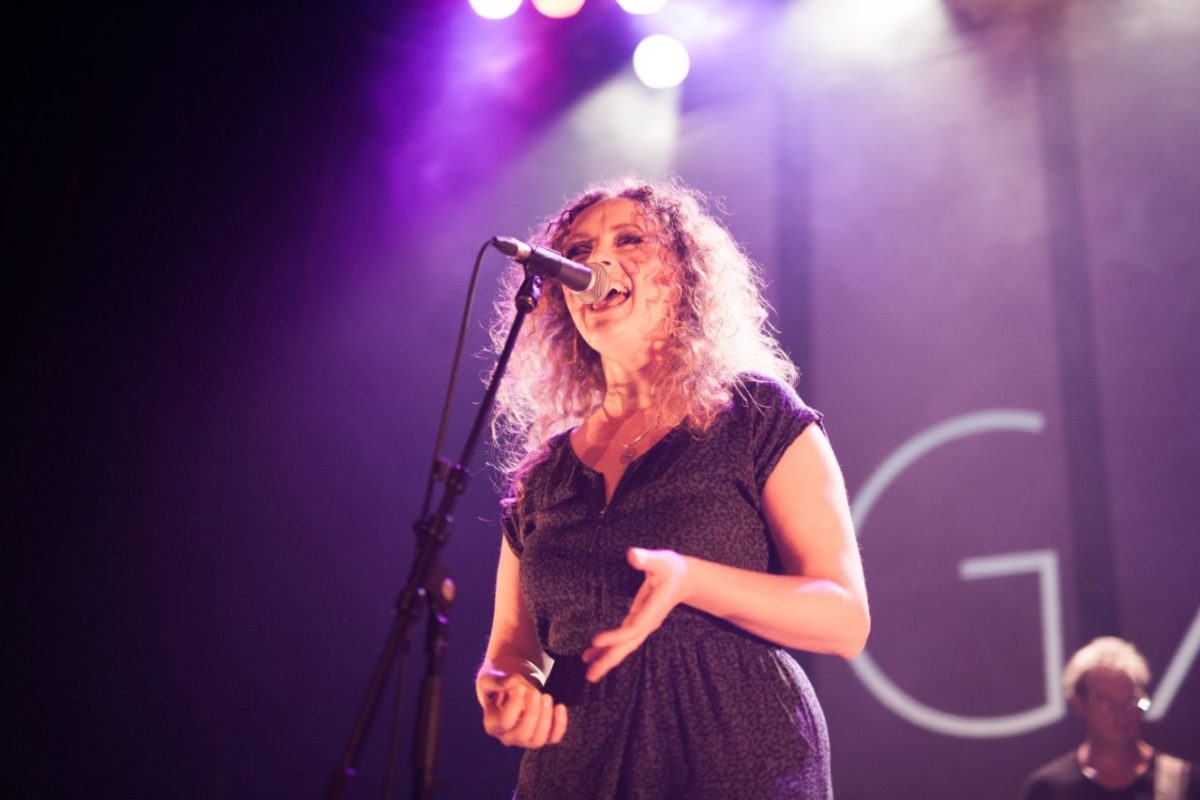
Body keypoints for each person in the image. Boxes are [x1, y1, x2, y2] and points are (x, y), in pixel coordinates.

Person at [474, 177, 870, 799]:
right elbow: (513, 648)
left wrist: (691, 580)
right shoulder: (546, 476)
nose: (597, 262)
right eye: (577, 251)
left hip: (734, 753)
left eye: (629, 240)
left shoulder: (754, 414)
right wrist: (508, 689)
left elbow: (843, 618)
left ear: (684, 274)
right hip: (575, 768)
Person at [1019, 636, 1198, 800]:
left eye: (1130, 701)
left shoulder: (1184, 783)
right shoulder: (1048, 789)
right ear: (1079, 703)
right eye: (1107, 703)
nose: (1121, 713)